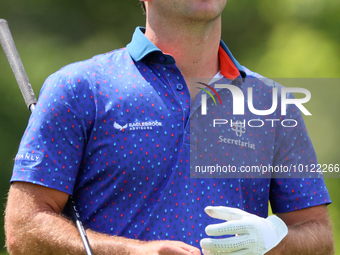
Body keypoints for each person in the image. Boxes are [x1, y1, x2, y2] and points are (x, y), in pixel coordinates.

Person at [5, 0, 334, 254]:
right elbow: (24, 229)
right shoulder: (80, 88)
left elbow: (319, 235)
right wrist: (132, 252)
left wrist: (273, 241)